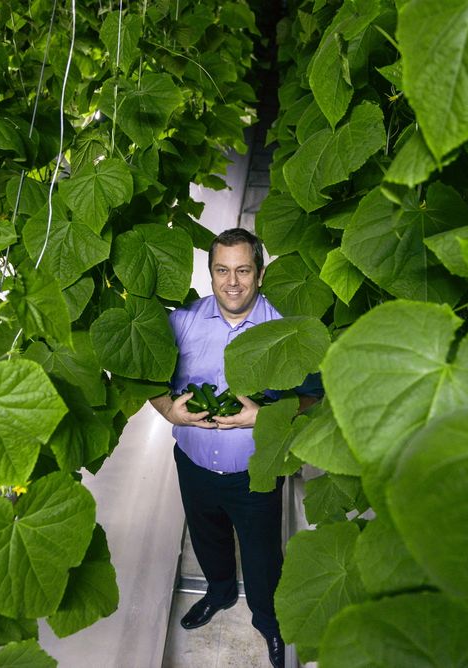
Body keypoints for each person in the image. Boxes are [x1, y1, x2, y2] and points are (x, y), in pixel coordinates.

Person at [150, 228, 316, 668]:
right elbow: (148, 379)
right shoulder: (181, 321)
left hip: (256, 470)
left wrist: (263, 416)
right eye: (222, 270)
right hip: (194, 464)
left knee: (263, 554)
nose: (233, 282)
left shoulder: (284, 328)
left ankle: (268, 619)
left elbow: (313, 394)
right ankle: (220, 592)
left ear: (259, 274)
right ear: (210, 274)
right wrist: (170, 411)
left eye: (243, 270)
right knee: (207, 538)